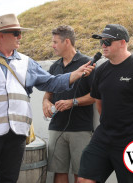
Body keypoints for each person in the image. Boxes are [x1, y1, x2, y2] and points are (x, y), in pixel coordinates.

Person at [0, 14, 94, 183]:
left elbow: (51, 83)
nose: (20, 37)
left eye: (20, 33)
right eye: (15, 33)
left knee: (9, 180)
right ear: (1, 35)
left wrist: (74, 75)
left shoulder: (27, 62)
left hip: (17, 135)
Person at [77, 24, 133, 183]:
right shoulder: (101, 70)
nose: (103, 46)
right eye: (101, 42)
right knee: (84, 179)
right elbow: (99, 103)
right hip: (103, 138)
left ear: (122, 43)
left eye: (107, 42)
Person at [42, 25, 95, 183]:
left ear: (66, 42)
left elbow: (96, 96)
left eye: (55, 42)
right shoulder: (54, 67)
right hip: (56, 128)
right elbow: (47, 94)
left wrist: (73, 102)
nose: (52, 45)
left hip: (81, 129)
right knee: (59, 173)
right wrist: (45, 102)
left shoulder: (87, 63)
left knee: (82, 175)